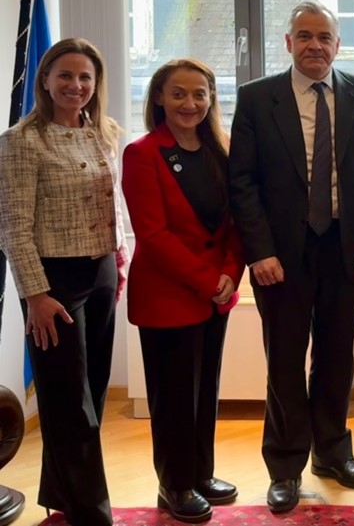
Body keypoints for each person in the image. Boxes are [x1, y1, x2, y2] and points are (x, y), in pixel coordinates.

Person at [228, 0, 354, 513]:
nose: (315, 45)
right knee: (284, 360)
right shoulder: (257, 98)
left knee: (336, 356)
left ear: (338, 44)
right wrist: (259, 252)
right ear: (289, 43)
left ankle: (332, 453)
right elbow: (243, 182)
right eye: (305, 36)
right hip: (282, 254)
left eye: (324, 37)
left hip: (346, 246)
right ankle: (284, 466)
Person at [0, 38, 127, 526]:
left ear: (96, 85)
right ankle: (93, 513)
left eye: (86, 77)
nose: (76, 85)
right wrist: (35, 294)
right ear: (46, 81)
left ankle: (62, 493)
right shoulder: (21, 140)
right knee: (69, 404)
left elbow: (114, 207)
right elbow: (12, 224)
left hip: (100, 273)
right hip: (52, 282)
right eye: (66, 76)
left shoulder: (106, 133)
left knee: (91, 394)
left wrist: (119, 263)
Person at [122, 58, 246, 523]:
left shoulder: (222, 150)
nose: (190, 103)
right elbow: (152, 236)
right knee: (172, 398)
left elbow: (235, 224)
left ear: (211, 99)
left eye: (199, 94)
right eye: (178, 93)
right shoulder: (142, 153)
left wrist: (230, 275)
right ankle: (173, 485)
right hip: (168, 296)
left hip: (217, 294)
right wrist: (208, 281)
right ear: (158, 97)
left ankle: (200, 473)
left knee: (204, 390)